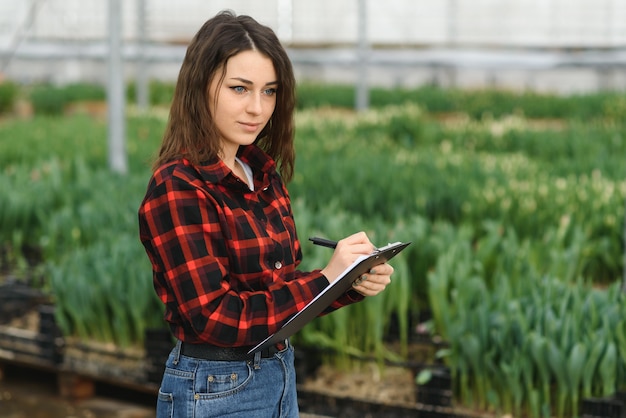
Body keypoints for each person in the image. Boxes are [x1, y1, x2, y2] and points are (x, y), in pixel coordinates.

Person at [138, 10, 394, 418]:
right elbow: (216, 317)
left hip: (278, 375)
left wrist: (348, 280)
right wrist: (325, 278)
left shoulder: (261, 173)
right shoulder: (179, 187)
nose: (257, 108)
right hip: (214, 389)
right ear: (200, 87)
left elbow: (280, 292)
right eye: (240, 89)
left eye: (270, 91)